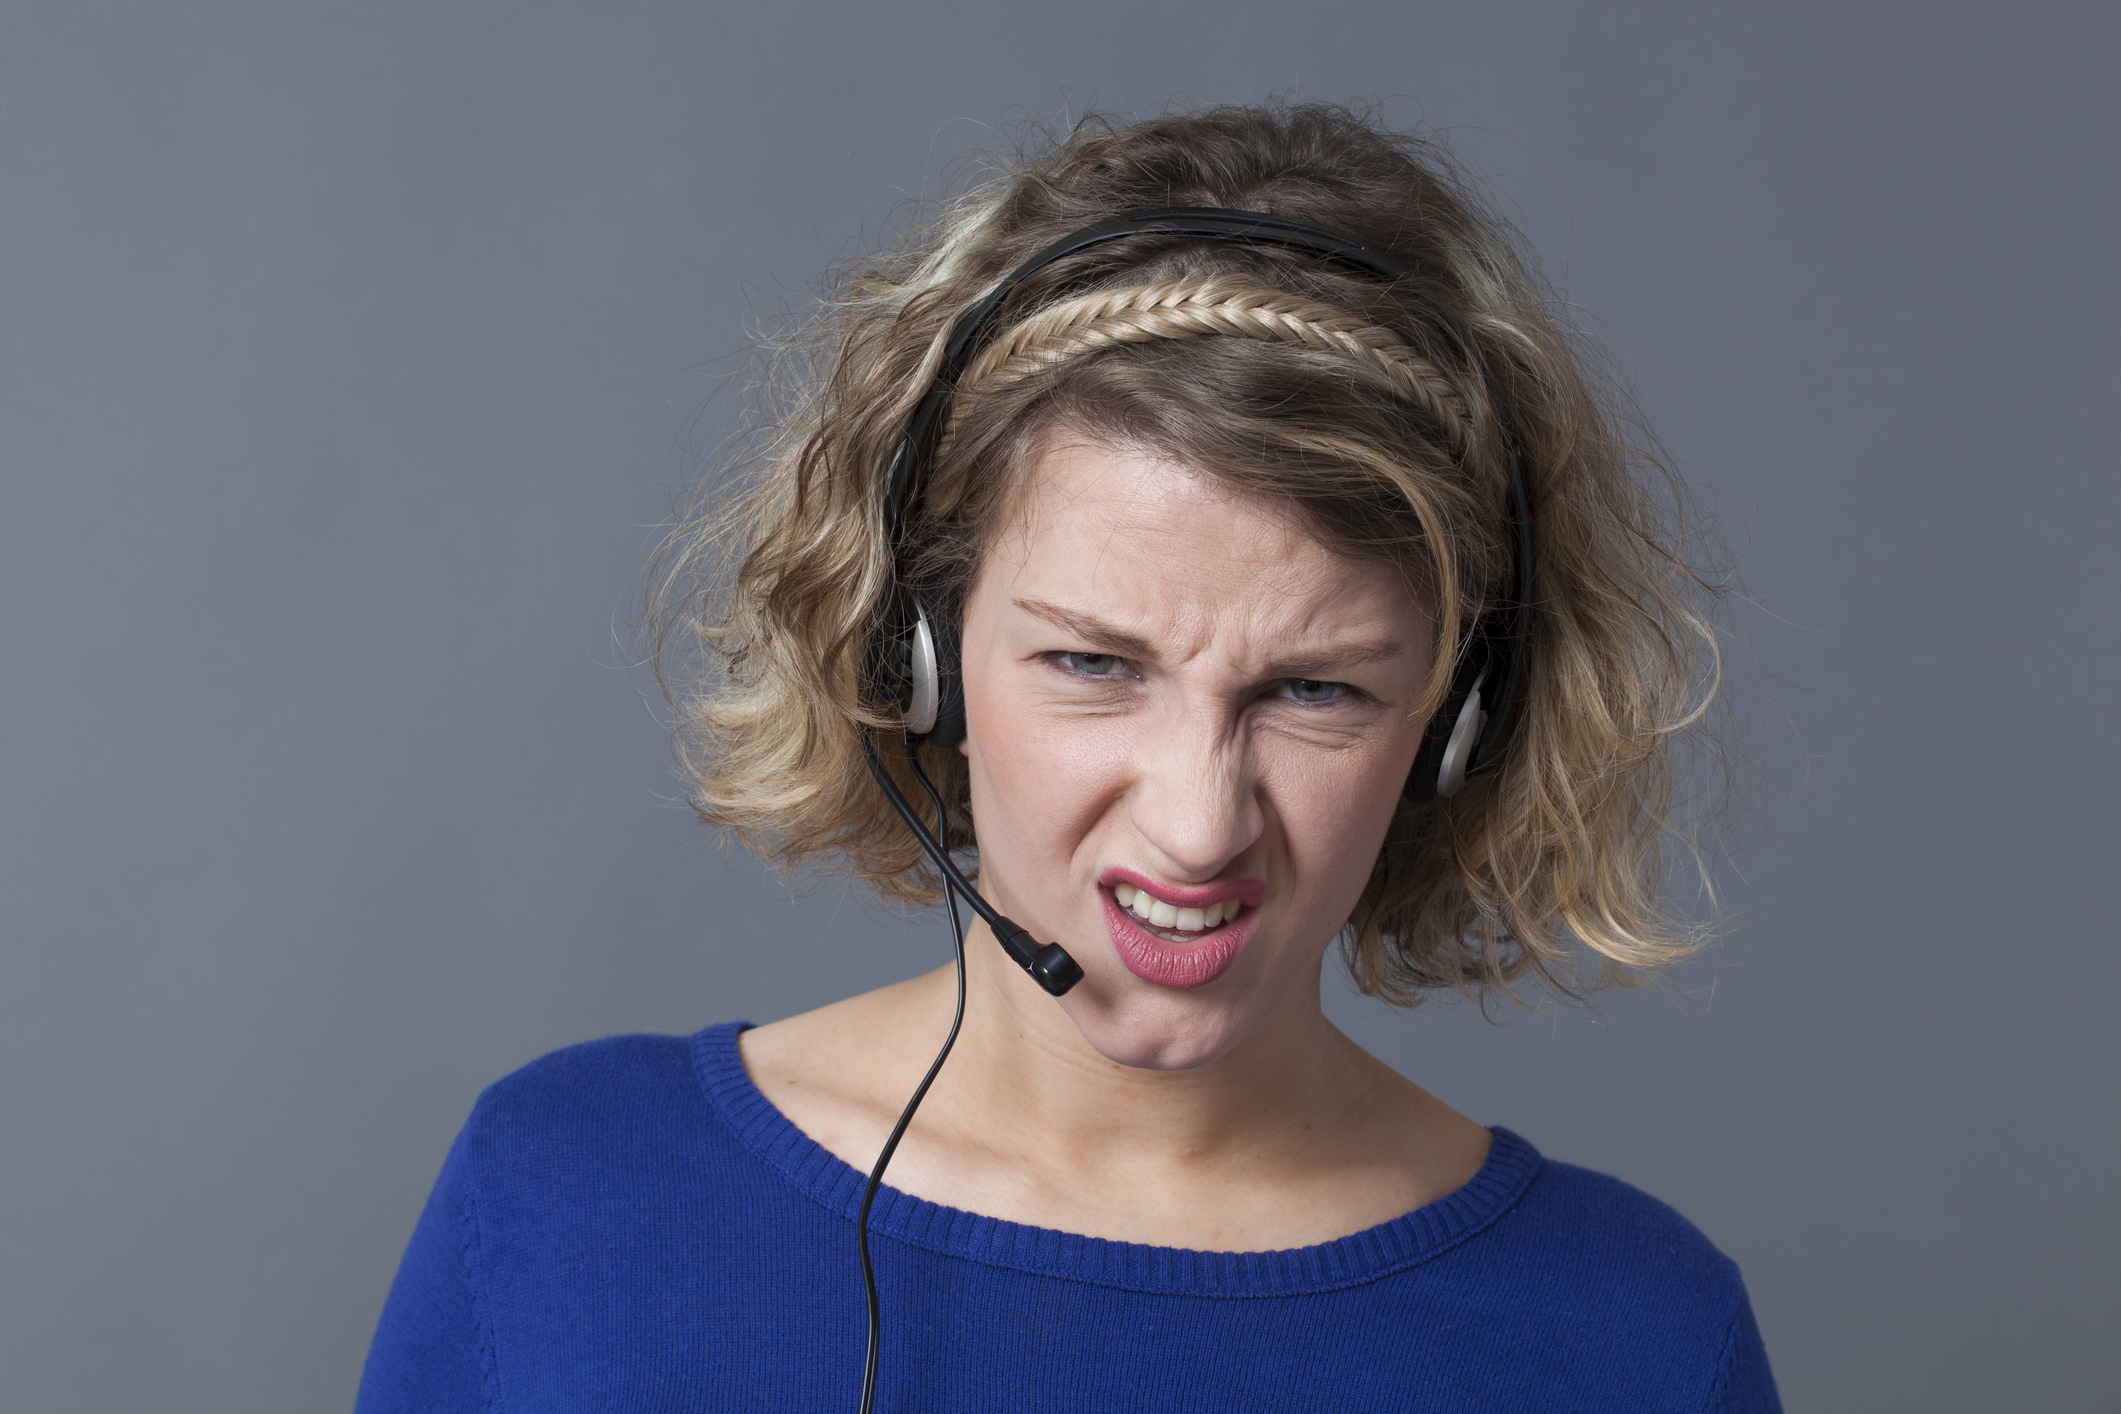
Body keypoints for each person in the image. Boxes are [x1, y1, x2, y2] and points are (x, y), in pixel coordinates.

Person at [357, 103, 1778, 1412]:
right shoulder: (564, 1197)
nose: (1196, 822)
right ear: (910, 659)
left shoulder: (1633, 1334)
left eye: (1313, 689)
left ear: (1458, 722)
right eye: (1094, 665)